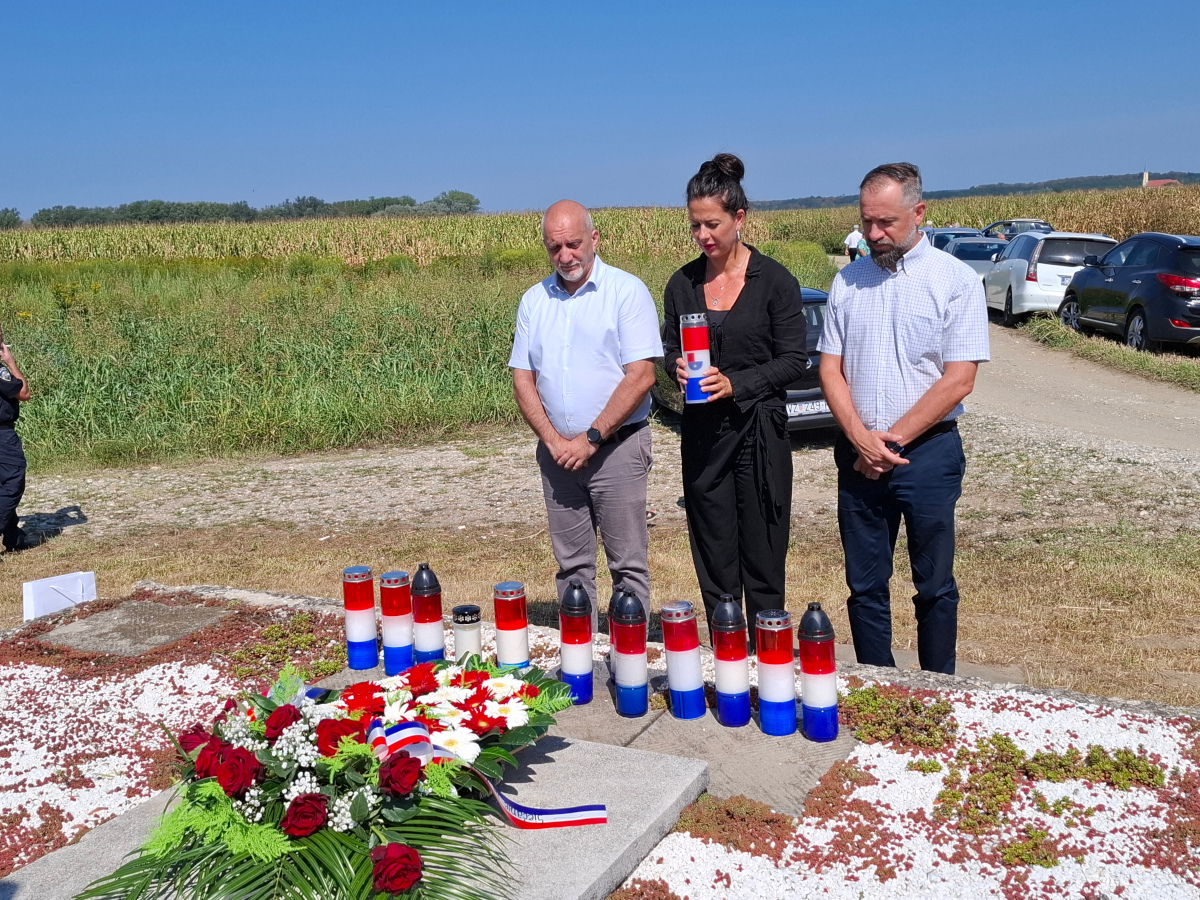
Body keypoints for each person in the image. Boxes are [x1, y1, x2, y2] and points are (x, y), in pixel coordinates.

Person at [818, 162, 990, 675]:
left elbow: (959, 380)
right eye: (866, 221)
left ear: (919, 213)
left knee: (933, 584)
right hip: (859, 454)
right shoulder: (848, 281)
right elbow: (830, 369)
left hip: (927, 455)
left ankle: (937, 689)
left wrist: (888, 444)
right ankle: (878, 686)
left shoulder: (955, 281)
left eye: (886, 222)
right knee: (865, 585)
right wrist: (860, 439)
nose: (874, 234)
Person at [662, 154, 808, 643]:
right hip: (703, 436)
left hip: (760, 434)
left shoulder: (776, 282)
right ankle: (727, 659)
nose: (703, 235)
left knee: (763, 557)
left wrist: (737, 384)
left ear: (739, 218)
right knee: (714, 556)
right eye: (695, 225)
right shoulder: (682, 284)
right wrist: (675, 366)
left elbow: (794, 360)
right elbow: (669, 348)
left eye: (713, 224)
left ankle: (770, 663)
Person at [509, 200, 663, 624]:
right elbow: (523, 379)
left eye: (573, 244)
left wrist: (591, 438)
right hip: (558, 457)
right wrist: (554, 441)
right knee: (572, 569)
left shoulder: (626, 292)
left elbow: (641, 376)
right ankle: (580, 654)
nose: (565, 256)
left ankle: (628, 655)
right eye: (554, 248)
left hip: (617, 450)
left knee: (627, 567)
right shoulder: (534, 300)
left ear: (594, 238)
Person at [0, 325, 32, 554]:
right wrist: (11, 363)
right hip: (2, 435)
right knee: (13, 482)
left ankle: (14, 538)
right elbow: (24, 393)